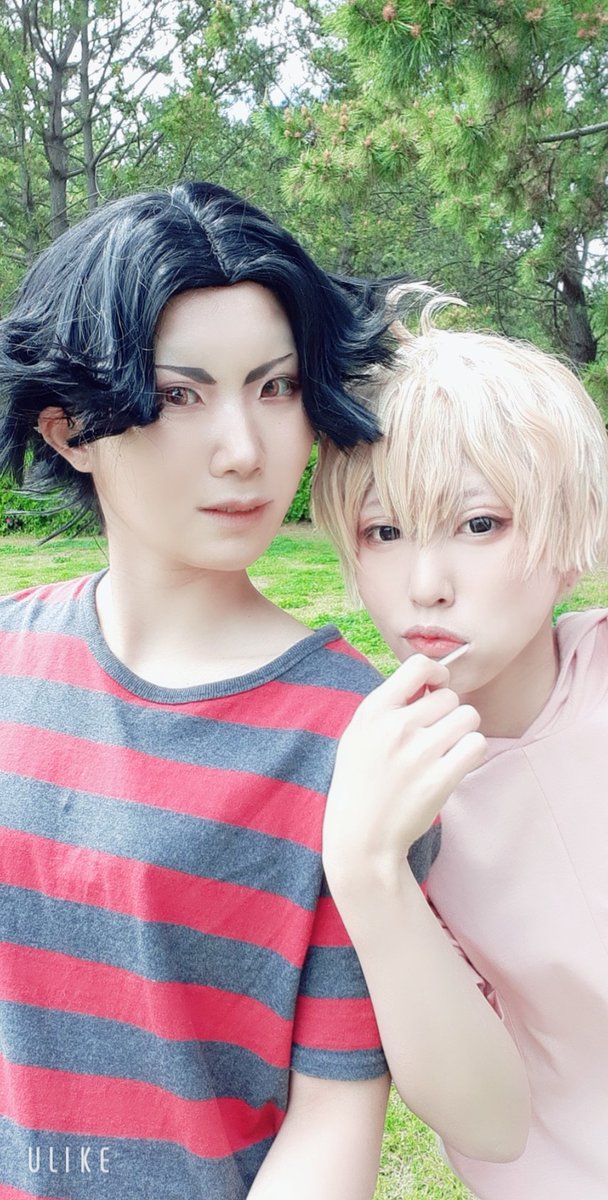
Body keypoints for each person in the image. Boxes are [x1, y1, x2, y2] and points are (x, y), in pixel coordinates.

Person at [0, 191, 527, 1200]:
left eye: (276, 387)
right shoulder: (10, 654)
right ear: (69, 430)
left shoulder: (354, 739)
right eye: (181, 395)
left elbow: (335, 1112)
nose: (244, 448)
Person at [313, 287, 608, 1199]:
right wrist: (370, 872)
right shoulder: (380, 781)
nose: (425, 584)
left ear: (573, 534)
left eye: (479, 523)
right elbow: (489, 1124)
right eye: (384, 531)